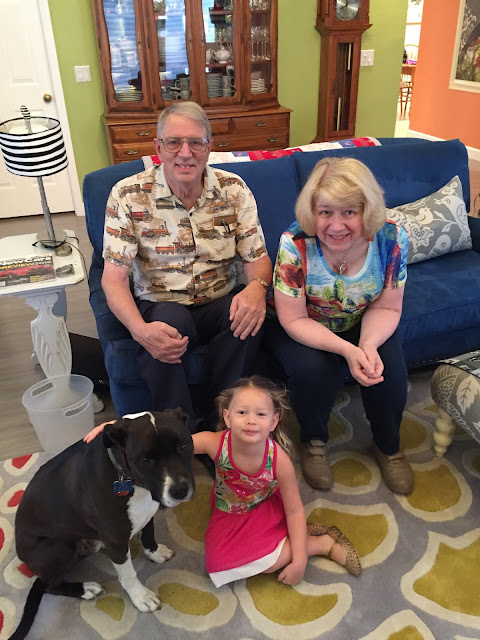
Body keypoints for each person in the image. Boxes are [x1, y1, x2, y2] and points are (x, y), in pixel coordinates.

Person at [84, 376, 361, 586]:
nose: (251, 421)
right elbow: (165, 440)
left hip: (265, 507)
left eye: (261, 414)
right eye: (242, 413)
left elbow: (295, 509)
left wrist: (299, 560)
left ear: (274, 421)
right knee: (219, 564)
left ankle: (320, 544)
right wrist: (116, 429)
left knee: (266, 563)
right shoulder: (214, 442)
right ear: (227, 416)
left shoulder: (278, 460)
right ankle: (288, 538)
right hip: (229, 511)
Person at [102, 102, 272, 430]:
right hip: (161, 302)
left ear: (209, 147)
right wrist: (139, 330)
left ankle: (223, 424)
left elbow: (257, 259)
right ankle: (180, 434)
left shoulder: (234, 189)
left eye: (195, 142)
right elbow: (113, 278)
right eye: (173, 142)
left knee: (247, 318)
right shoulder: (127, 195)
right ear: (158, 148)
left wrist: (257, 288)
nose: (185, 152)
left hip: (219, 298)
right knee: (168, 324)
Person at [266, 156, 413, 495]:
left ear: (368, 210)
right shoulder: (295, 243)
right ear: (312, 212)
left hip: (362, 317)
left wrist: (368, 345)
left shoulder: (391, 238)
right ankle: (313, 441)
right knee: (315, 370)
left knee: (387, 368)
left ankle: (388, 446)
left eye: (349, 212)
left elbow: (388, 306)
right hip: (301, 322)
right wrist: (347, 350)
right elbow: (292, 318)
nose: (336, 225)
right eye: (325, 212)